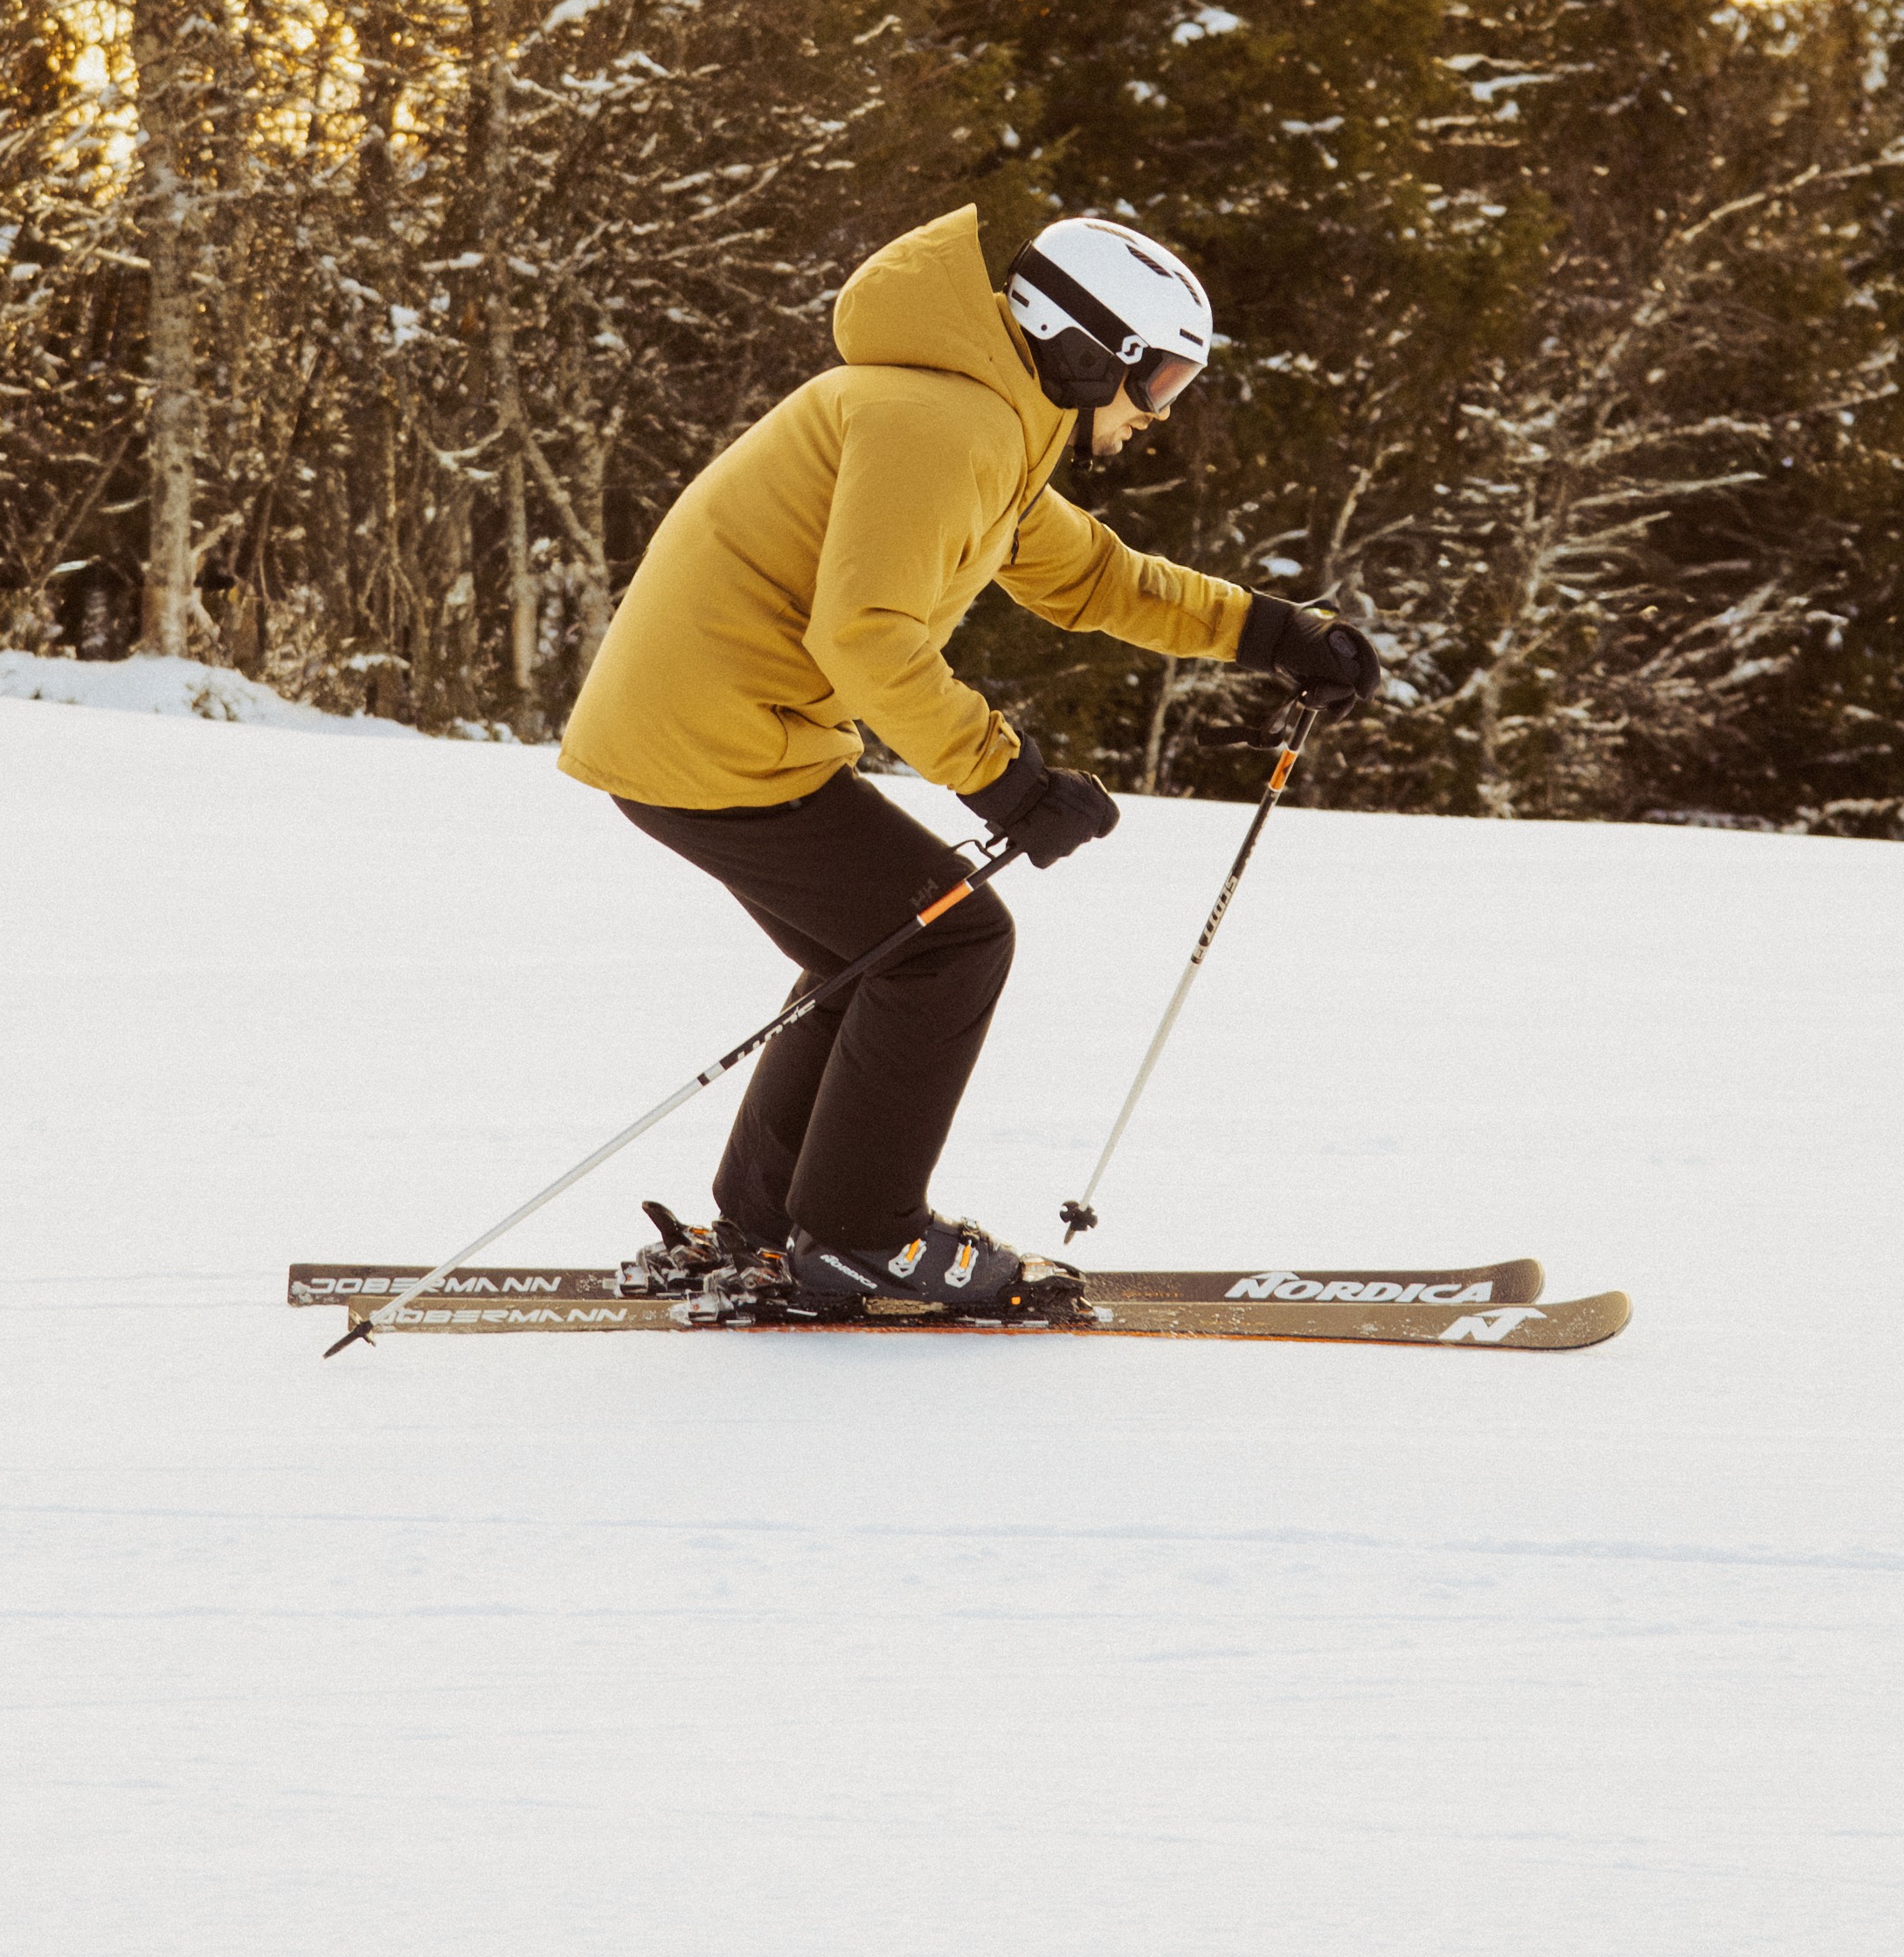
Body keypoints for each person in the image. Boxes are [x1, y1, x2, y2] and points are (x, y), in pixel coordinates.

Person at [555, 202, 1376, 1317]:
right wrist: (1008, 780)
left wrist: (1270, 630)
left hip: (714, 732)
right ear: (1089, 355)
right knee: (951, 943)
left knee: (894, 942)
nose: (1161, 415)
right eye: (1162, 381)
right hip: (719, 738)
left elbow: (1094, 578)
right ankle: (858, 1236)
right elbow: (870, 635)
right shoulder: (944, 426)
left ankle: (770, 1225)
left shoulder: (982, 421)